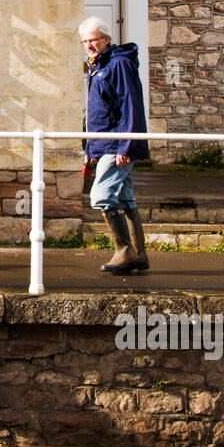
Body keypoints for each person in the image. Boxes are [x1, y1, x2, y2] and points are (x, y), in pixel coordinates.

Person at [79, 17, 150, 273]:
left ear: (106, 39)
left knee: (101, 196)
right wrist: (90, 151)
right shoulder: (99, 66)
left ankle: (124, 251)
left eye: (94, 40)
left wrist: (126, 146)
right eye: (85, 41)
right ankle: (138, 255)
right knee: (124, 197)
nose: (89, 45)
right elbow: (97, 114)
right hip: (107, 144)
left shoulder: (118, 64)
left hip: (117, 145)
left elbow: (129, 106)